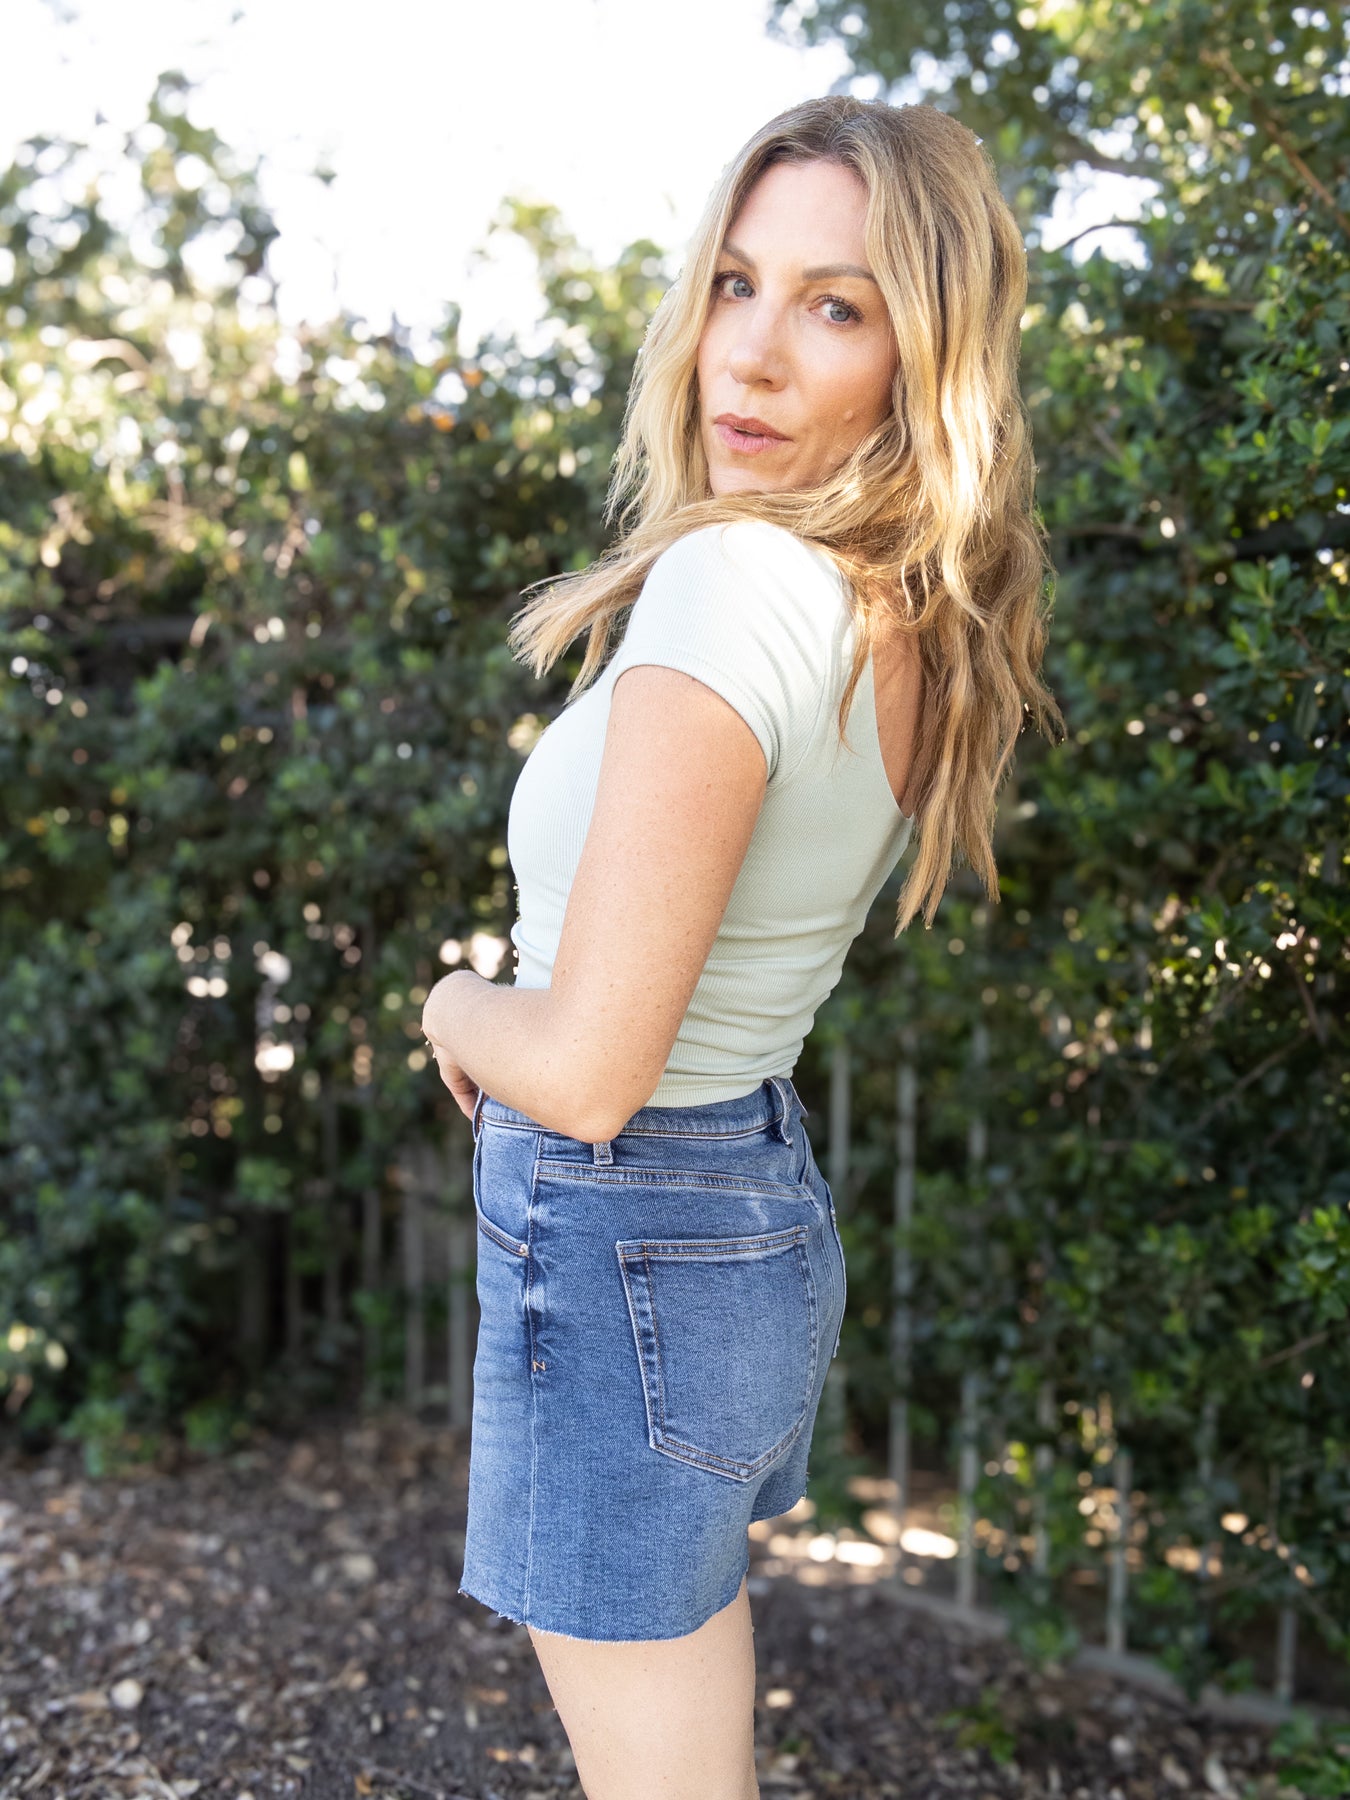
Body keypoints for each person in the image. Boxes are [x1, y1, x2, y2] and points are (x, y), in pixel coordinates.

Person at [421, 94, 1063, 1800]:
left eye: (834, 306)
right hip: (738, 1210)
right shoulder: (892, 613)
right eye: (733, 283)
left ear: (922, 358)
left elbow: (587, 1071)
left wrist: (452, 1003)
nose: (752, 354)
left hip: (622, 1217)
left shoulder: (737, 586)